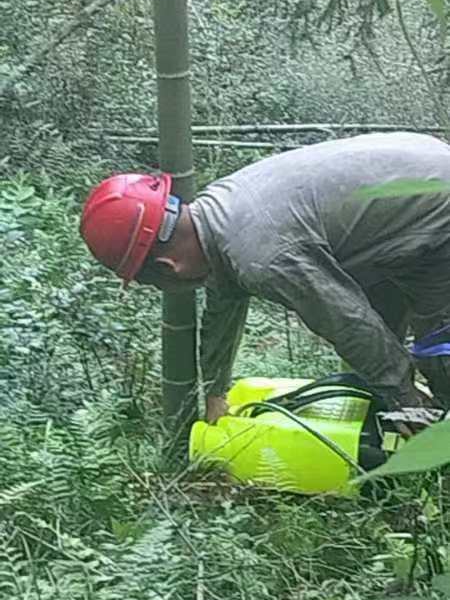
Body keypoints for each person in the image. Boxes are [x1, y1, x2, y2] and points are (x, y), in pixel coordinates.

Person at [80, 132, 450, 427]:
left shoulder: (263, 255)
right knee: (379, 359)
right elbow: (224, 302)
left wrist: (404, 397)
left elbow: (345, 318)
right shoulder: (218, 215)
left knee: (438, 354)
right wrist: (216, 392)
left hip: (439, 213)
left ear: (168, 267)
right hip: (411, 204)